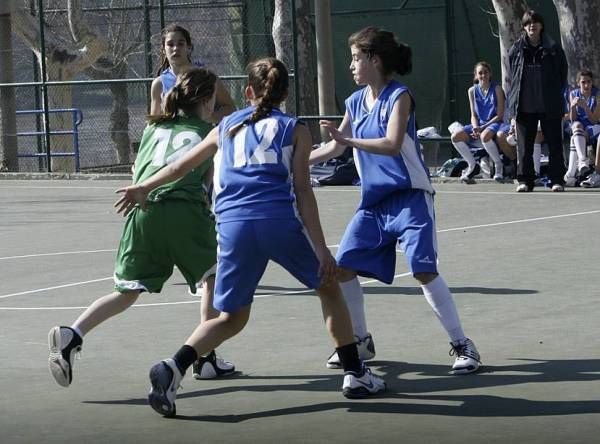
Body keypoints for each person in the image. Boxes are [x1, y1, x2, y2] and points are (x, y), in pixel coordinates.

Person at [115, 57, 386, 417]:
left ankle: (172, 367)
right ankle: (355, 373)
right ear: (284, 93)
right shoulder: (296, 129)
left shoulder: (225, 126)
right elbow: (304, 193)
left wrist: (143, 185)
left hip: (232, 227)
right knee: (328, 288)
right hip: (277, 221)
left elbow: (182, 165)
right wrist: (322, 252)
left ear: (247, 92)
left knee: (231, 318)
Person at [48, 68, 234, 387]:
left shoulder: (153, 128)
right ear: (206, 101)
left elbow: (142, 171)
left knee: (125, 292)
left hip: (142, 211)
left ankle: (72, 333)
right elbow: (205, 179)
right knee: (212, 278)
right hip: (183, 213)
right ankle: (204, 357)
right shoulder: (208, 130)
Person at [310, 27, 481, 374]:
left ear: (374, 60)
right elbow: (336, 146)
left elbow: (390, 143)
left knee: (423, 270)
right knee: (343, 269)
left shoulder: (399, 96)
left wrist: (349, 140)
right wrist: (297, 162)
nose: (352, 65)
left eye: (357, 58)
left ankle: (463, 345)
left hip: (410, 197)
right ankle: (360, 340)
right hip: (373, 203)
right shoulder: (355, 102)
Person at [507, 10, 568, 192]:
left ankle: (557, 180)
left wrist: (552, 93)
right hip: (524, 106)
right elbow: (513, 75)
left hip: (550, 105)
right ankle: (525, 181)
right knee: (524, 147)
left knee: (555, 144)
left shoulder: (554, 49)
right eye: (527, 23)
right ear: (524, 27)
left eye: (535, 22)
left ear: (541, 25)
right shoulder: (516, 49)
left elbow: (562, 74)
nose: (531, 26)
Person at [150, 23, 235, 124]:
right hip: (174, 138)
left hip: (202, 137)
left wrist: (210, 117)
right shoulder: (159, 84)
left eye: (180, 44)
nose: (175, 48)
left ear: (189, 47)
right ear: (163, 50)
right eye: (170, 44)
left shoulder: (206, 77)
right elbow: (153, 123)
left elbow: (230, 108)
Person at [450, 61, 507, 183]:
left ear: (490, 74)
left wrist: (482, 128)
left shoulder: (497, 89)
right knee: (455, 137)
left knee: (485, 136)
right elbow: (473, 115)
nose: (483, 75)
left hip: (495, 123)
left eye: (485, 72)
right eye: (480, 73)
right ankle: (472, 165)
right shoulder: (472, 91)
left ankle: (498, 166)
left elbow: (500, 115)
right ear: (476, 75)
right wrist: (476, 127)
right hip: (479, 125)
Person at [564, 69, 600, 186]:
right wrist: (573, 107)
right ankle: (582, 161)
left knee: (576, 135)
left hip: (594, 126)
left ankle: (570, 174)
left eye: (589, 82)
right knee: (576, 126)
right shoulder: (573, 94)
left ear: (592, 82)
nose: (586, 85)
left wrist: (585, 107)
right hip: (579, 127)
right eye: (583, 82)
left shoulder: (598, 95)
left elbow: (594, 120)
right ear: (578, 83)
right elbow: (573, 118)